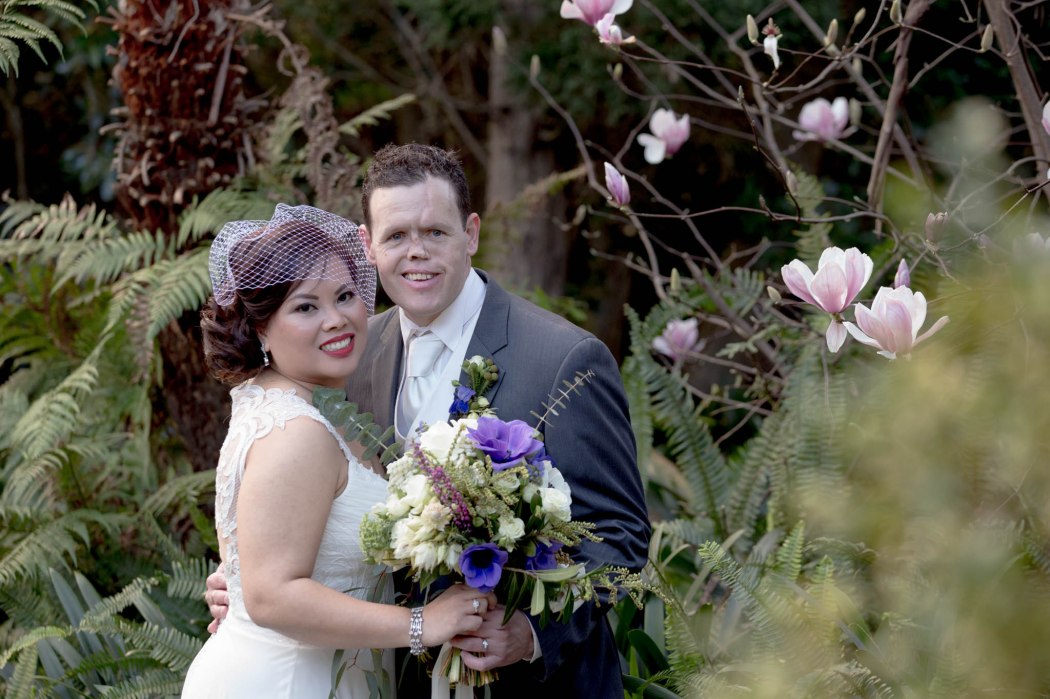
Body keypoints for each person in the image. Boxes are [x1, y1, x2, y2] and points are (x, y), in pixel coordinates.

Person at [206, 145, 651, 697]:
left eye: (435, 232)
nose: (416, 252)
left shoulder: (564, 360)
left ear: (471, 233)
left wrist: (530, 632)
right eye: (396, 235)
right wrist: (248, 581)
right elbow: (301, 507)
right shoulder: (347, 356)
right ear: (368, 246)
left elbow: (620, 538)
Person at [183, 203, 495, 698]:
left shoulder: (289, 403)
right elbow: (272, 597)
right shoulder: (295, 430)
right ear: (260, 327)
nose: (337, 320)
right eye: (306, 307)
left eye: (346, 296)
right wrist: (422, 623)